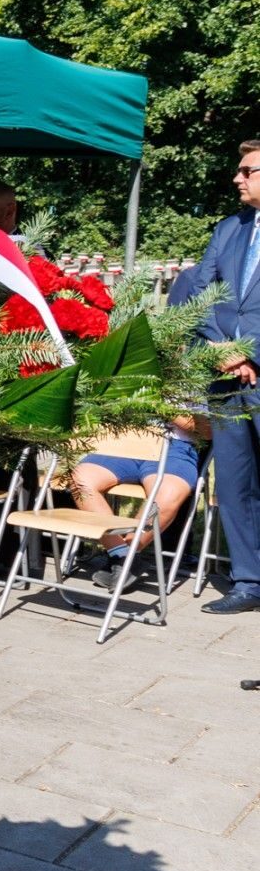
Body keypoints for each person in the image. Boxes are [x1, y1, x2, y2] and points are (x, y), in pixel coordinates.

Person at [172, 137, 260, 614]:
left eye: (248, 171)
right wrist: (220, 348)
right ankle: (249, 581)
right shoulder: (229, 229)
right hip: (225, 378)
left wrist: (250, 353)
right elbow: (199, 294)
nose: (237, 178)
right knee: (234, 482)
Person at [72, 416, 206, 589]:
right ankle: (122, 554)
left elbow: (209, 431)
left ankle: (126, 556)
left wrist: (165, 409)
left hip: (175, 448)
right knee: (80, 480)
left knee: (168, 494)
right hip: (125, 439)